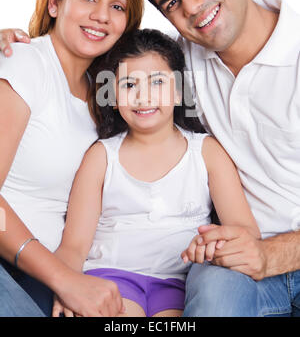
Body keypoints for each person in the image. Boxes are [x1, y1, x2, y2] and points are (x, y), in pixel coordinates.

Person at [131, 0, 300, 317]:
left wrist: (273, 255)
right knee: (211, 288)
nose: (191, 7)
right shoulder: (180, 62)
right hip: (239, 260)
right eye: (171, 2)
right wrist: (26, 47)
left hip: (273, 253)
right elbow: (105, 74)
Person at [50, 28, 259, 317]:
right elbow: (74, 245)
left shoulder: (207, 152)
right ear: (112, 96)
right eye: (128, 85)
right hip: (110, 277)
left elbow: (245, 230)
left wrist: (214, 243)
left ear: (178, 91)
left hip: (180, 283)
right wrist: (66, 287)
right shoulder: (101, 156)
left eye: (157, 82)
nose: (143, 96)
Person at [0, 0, 143, 317]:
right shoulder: (24, 64)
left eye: (117, 6)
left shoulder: (108, 94)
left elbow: (173, 77)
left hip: (48, 273)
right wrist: (64, 279)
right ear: (54, 2)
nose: (101, 16)